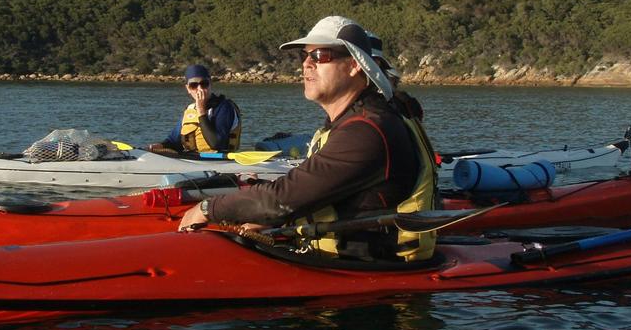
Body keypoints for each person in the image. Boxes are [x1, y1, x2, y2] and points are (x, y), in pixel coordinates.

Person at [178, 17, 438, 262]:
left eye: (320, 56)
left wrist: (207, 209)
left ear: (354, 65)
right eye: (304, 56)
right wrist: (272, 218)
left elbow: (282, 198)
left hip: (367, 277)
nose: (306, 64)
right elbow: (303, 189)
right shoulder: (358, 119)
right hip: (346, 261)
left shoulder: (366, 131)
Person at [149, 64, 242, 155]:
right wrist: (160, 146)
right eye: (194, 85)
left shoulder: (224, 107)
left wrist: (201, 110)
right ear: (188, 89)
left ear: (210, 84)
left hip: (220, 162)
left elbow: (216, 144)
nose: (200, 89)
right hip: (194, 160)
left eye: (204, 84)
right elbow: (174, 142)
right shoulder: (190, 110)